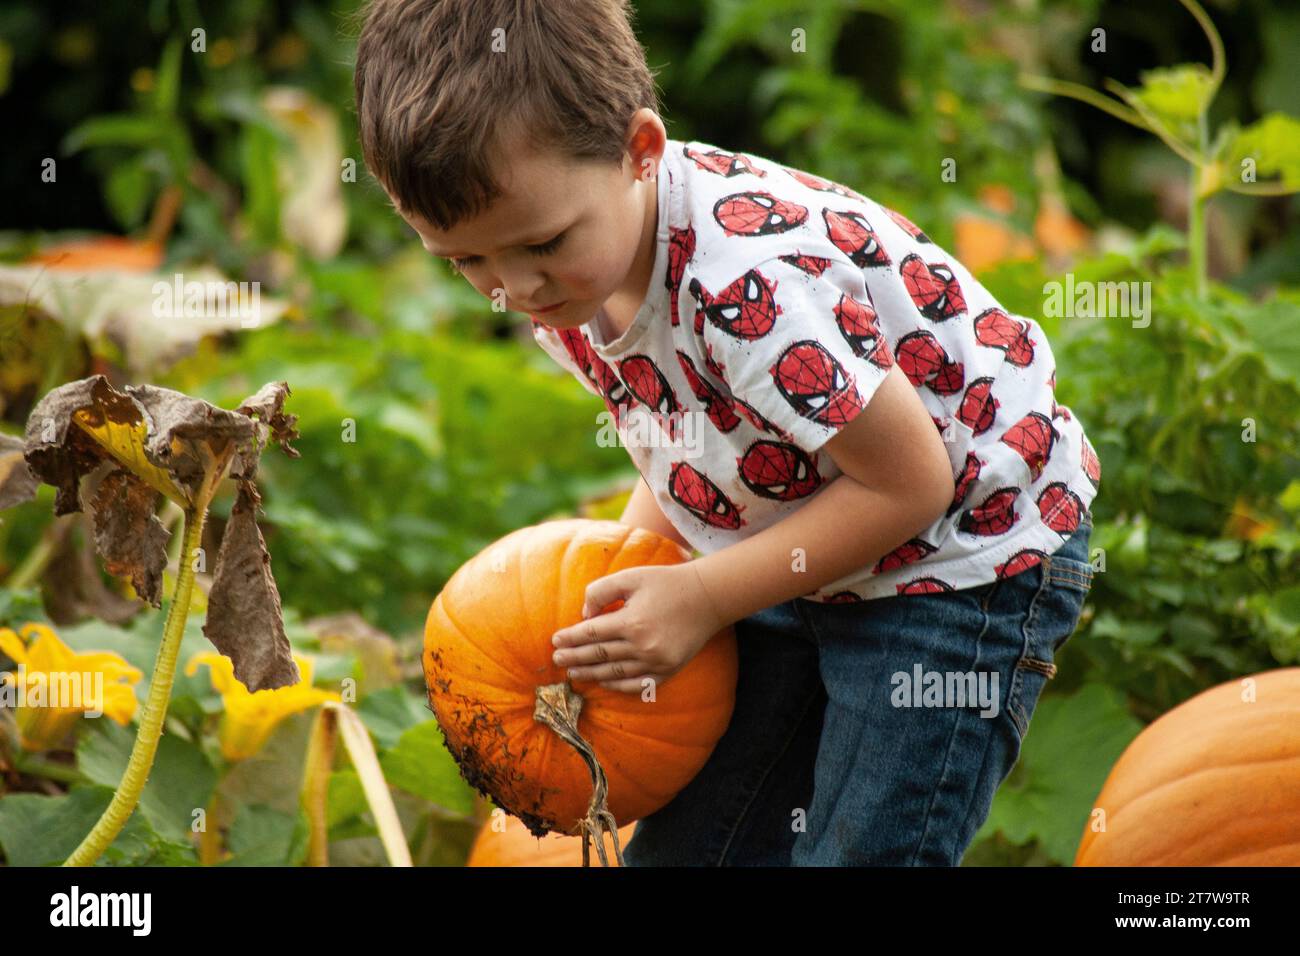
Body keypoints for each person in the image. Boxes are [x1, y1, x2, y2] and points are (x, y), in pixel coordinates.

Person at [354, 0, 1100, 866]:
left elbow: (911, 485)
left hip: (957, 552)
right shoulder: (577, 277)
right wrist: (621, 579)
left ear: (640, 151)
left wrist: (703, 597)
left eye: (541, 244)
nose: (513, 287)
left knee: (865, 849)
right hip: (807, 523)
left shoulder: (747, 295)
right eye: (467, 261)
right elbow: (685, 438)